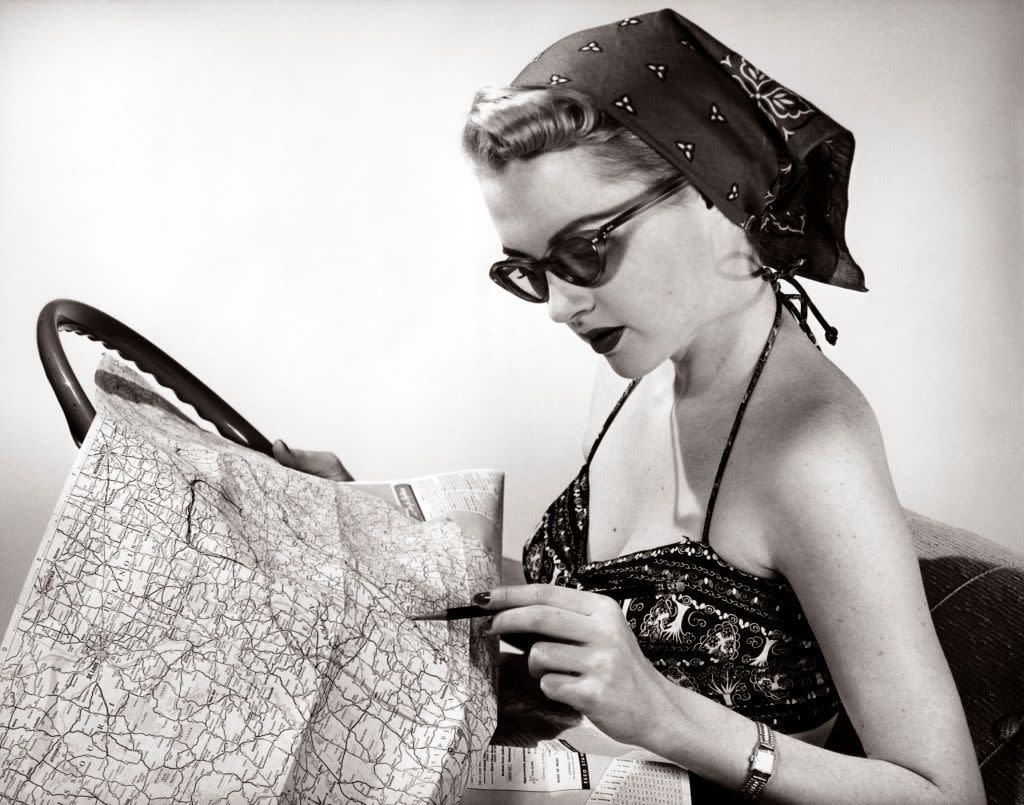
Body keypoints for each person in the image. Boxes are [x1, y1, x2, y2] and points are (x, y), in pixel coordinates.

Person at [276, 9, 984, 803]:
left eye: (585, 252)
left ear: (715, 194)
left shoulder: (814, 453)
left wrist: (665, 714)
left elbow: (946, 794)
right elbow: (623, 596)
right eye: (531, 271)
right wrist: (368, 525)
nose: (558, 305)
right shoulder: (655, 365)